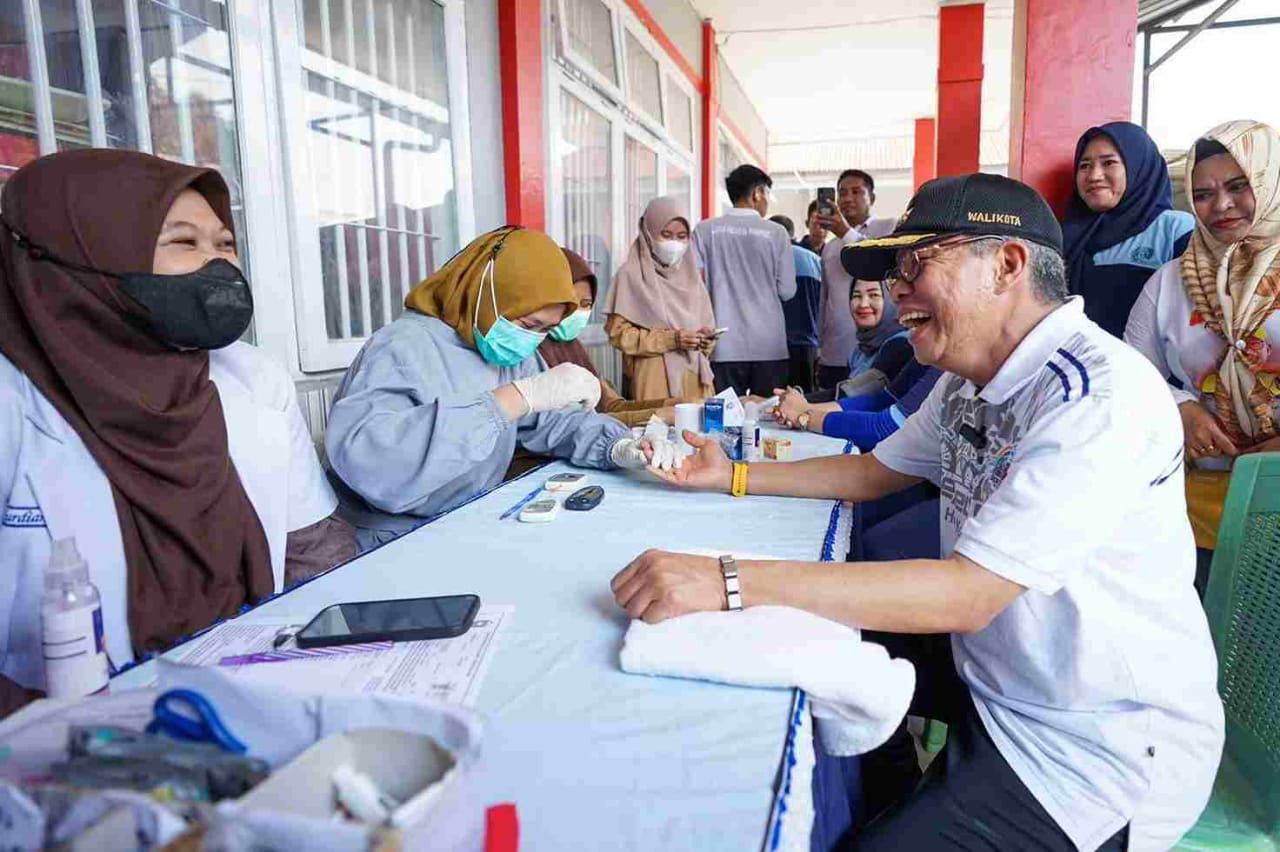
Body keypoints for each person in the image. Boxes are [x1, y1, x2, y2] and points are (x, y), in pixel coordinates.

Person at [613, 173, 1223, 850]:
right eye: (894, 271)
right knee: (793, 651)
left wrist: (724, 578)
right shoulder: (968, 381)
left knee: (778, 626)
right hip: (995, 674)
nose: (898, 290)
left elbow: (969, 593)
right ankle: (891, 791)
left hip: (1090, 745)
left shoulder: (1096, 396)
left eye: (916, 265)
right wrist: (729, 475)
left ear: (1007, 264)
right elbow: (874, 472)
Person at [0, 149, 356, 712]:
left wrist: (348, 654)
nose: (220, 267)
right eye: (184, 242)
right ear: (81, 255)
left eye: (226, 244)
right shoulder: (14, 401)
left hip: (254, 685)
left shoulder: (253, 377)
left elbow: (313, 548)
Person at [326, 227, 678, 549]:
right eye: (528, 323)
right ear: (485, 295)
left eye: (545, 330)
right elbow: (374, 463)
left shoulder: (505, 349)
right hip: (390, 535)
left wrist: (617, 445)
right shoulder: (402, 347)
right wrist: (509, 401)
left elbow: (553, 421)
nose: (532, 339)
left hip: (465, 518)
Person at [1124, 119, 1280, 593]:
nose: (1221, 205)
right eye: (1204, 194)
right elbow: (1128, 374)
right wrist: (1180, 408)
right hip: (1204, 508)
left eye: (1238, 186)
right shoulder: (1171, 282)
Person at [1064, 121, 1195, 338]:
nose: (1094, 175)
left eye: (1109, 163)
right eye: (1084, 165)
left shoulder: (1175, 230)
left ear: (1138, 168)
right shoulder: (1068, 235)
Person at [539, 247, 679, 427]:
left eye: (586, 304)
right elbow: (566, 428)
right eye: (570, 302)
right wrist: (655, 416)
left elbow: (610, 405)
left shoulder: (573, 348)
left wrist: (670, 404)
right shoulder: (530, 352)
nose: (576, 311)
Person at [692, 165, 796, 395]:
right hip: (769, 345)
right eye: (767, 193)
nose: (767, 201)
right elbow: (787, 290)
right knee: (769, 411)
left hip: (723, 344)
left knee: (725, 412)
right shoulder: (777, 233)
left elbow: (692, 284)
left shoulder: (704, 230)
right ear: (757, 193)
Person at [605, 196, 717, 401]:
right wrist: (672, 340)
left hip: (694, 377)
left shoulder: (693, 279)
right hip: (654, 380)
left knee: (699, 422)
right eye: (666, 235)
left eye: (681, 236)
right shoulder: (630, 276)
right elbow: (619, 335)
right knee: (658, 422)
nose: (674, 243)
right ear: (648, 233)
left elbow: (707, 330)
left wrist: (704, 339)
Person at [814, 169, 898, 390]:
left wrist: (845, 232)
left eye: (856, 192)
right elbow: (825, 301)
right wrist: (819, 347)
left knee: (864, 404)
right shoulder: (830, 247)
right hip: (834, 350)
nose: (847, 198)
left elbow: (877, 261)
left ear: (872, 198)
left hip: (875, 350)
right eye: (842, 193)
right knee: (824, 403)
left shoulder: (890, 228)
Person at [773, 358, 940, 451]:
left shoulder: (897, 344)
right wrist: (803, 409)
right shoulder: (918, 341)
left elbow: (885, 428)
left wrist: (804, 416)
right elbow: (883, 400)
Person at [770, 214, 823, 391]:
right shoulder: (815, 260)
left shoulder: (768, 260)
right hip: (808, 345)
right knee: (804, 399)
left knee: (771, 400)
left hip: (773, 347)